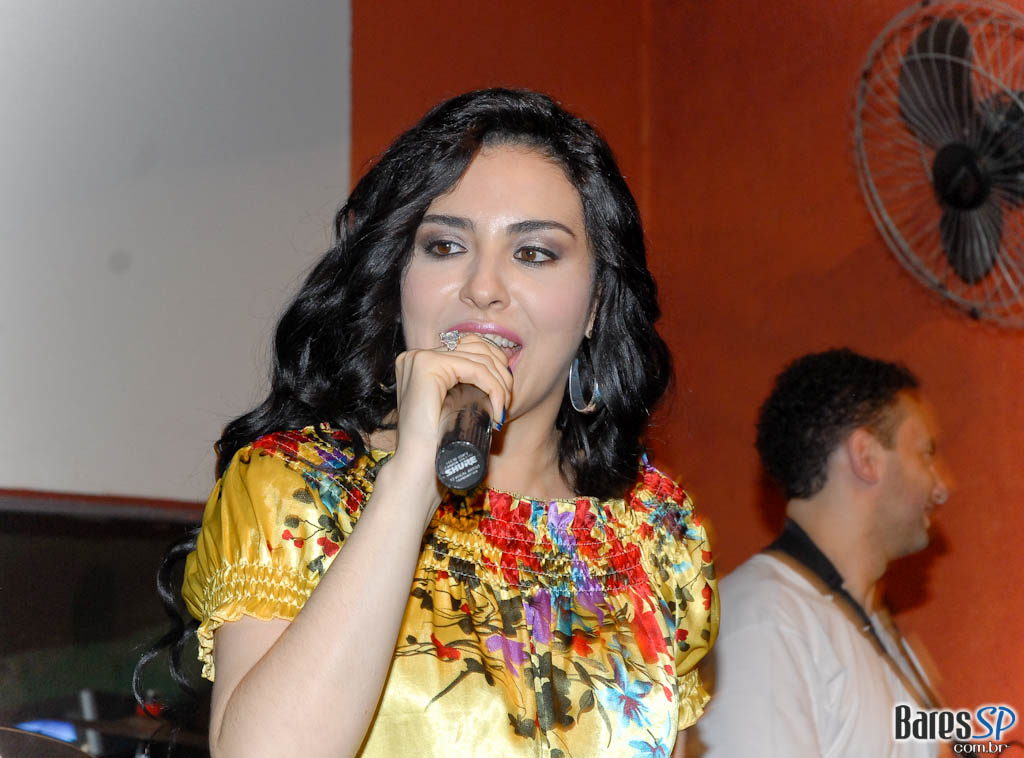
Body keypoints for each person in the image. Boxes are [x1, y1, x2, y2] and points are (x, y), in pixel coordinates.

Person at [172, 89, 717, 758]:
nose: (483, 287)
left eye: (534, 253)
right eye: (445, 245)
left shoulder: (657, 532)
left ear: (597, 301)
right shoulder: (296, 489)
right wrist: (410, 484)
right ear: (398, 279)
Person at [695, 348, 949, 757]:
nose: (942, 488)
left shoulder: (875, 632)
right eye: (925, 454)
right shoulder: (764, 620)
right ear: (866, 457)